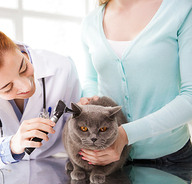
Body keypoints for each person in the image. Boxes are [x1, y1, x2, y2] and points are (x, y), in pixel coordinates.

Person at [0, 25, 81, 172]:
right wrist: (10, 145)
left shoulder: (62, 67)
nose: (26, 87)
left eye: (23, 68)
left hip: (58, 168)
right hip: (3, 177)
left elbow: (78, 130)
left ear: (18, 49)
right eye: (7, 87)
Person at [78, 0, 192, 167]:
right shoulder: (90, 22)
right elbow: (91, 79)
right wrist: (90, 102)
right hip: (106, 159)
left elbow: (190, 97)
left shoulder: (180, 9)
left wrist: (125, 135)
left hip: (169, 159)